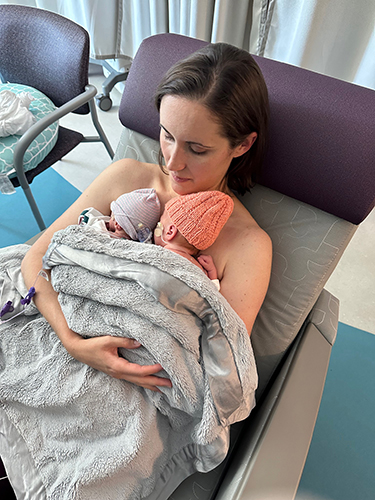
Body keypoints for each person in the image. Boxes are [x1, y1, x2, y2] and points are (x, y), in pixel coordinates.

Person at [21, 42, 272, 392]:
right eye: (167, 135)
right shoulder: (126, 177)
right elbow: (37, 258)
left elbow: (217, 360)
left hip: (139, 385)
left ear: (242, 145)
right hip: (58, 325)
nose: (172, 162)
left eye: (197, 149)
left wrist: (190, 281)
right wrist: (73, 342)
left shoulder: (248, 244)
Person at [154, 190, 234, 289]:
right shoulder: (199, 268)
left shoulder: (160, 254)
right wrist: (211, 272)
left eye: (159, 224)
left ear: (170, 232)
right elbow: (212, 291)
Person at [78, 188, 161, 242]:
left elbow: (85, 216)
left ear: (118, 225)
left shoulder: (100, 230)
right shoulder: (136, 245)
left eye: (111, 216)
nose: (109, 218)